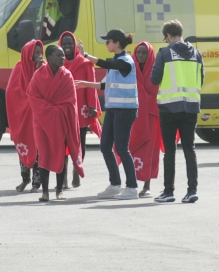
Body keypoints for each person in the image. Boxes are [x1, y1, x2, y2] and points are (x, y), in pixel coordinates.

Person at [75, 29, 140, 200]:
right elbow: (104, 86)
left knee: (121, 148)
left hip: (125, 110)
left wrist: (86, 55)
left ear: (117, 43)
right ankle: (115, 184)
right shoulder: (116, 63)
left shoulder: (125, 61)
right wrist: (86, 84)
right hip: (113, 109)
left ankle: (132, 187)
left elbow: (105, 64)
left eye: (109, 41)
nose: (106, 44)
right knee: (105, 146)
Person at [150, 20, 204, 204]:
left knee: (170, 151)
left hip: (169, 108)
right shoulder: (196, 54)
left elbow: (154, 78)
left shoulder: (165, 53)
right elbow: (201, 80)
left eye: (165, 38)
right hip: (191, 108)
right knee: (190, 149)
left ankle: (168, 191)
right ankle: (192, 190)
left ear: (169, 36)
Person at [27, 45, 84, 202]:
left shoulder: (67, 76)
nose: (63, 58)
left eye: (63, 55)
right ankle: (45, 191)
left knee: (60, 154)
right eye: (59, 55)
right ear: (49, 57)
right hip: (42, 122)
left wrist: (57, 112)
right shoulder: (38, 75)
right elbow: (32, 96)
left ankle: (59, 190)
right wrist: (50, 110)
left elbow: (71, 101)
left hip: (61, 122)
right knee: (44, 155)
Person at [59, 31, 101, 189]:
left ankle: (77, 170)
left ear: (75, 45)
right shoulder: (57, 63)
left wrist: (92, 106)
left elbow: (91, 85)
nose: (67, 46)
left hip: (81, 108)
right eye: (65, 43)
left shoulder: (85, 64)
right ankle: (62, 177)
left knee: (80, 143)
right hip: (63, 109)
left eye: (70, 43)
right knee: (63, 143)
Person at [124, 42, 163, 197]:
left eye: (144, 53)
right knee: (131, 148)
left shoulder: (156, 69)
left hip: (151, 115)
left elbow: (155, 89)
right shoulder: (130, 69)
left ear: (150, 55)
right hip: (133, 114)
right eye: (138, 52)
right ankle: (130, 182)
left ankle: (147, 185)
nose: (140, 55)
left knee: (150, 151)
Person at [7, 40, 44, 193]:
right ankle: (25, 180)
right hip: (22, 117)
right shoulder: (18, 68)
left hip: (38, 116)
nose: (38, 55)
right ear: (27, 54)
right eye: (35, 52)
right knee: (23, 148)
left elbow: (47, 89)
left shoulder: (45, 68)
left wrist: (39, 71)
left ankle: (36, 183)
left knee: (38, 150)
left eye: (40, 52)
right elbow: (11, 93)